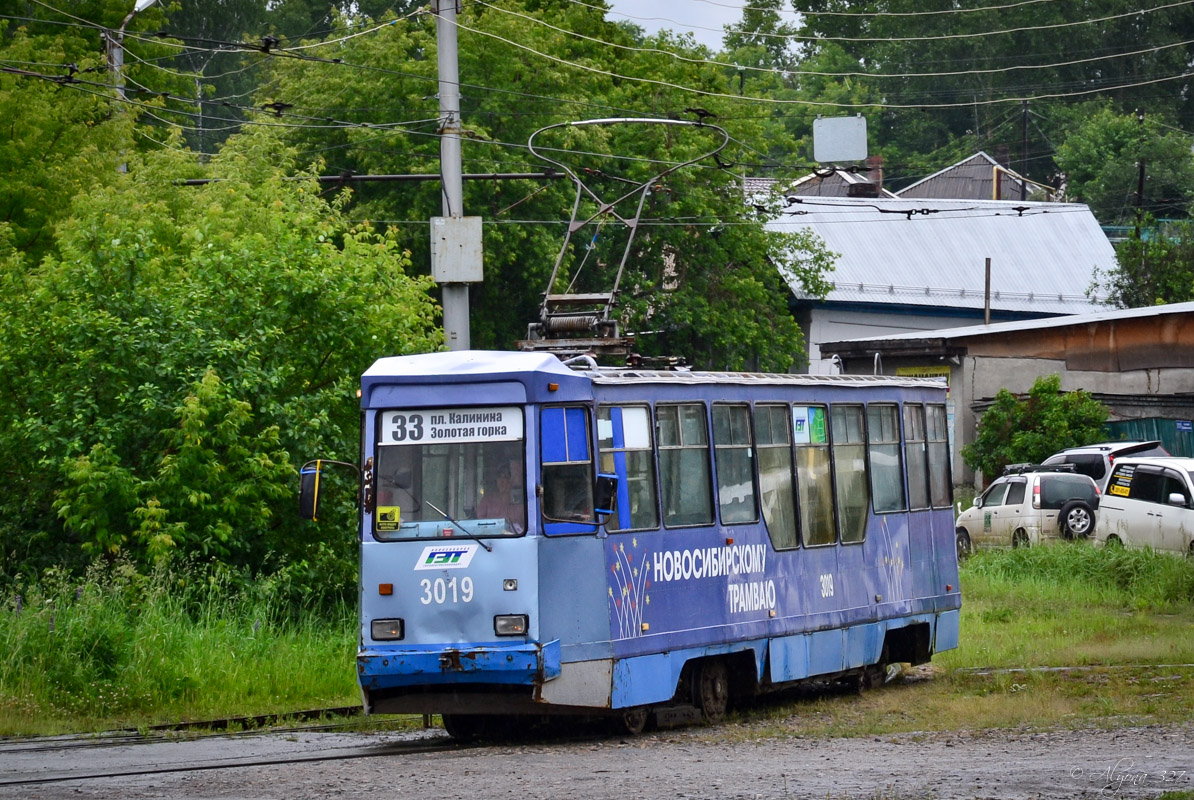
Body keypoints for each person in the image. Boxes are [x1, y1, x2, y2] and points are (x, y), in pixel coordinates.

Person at [478, 463, 525, 532]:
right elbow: (479, 524)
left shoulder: (520, 503)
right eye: (499, 477)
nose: (501, 481)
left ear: (511, 480)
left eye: (506, 477)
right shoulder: (487, 500)